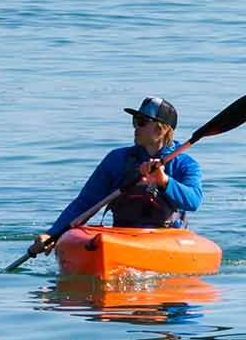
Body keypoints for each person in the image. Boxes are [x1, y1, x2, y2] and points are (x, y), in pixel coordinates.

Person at [36, 97, 205, 249]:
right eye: (134, 120)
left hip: (166, 238)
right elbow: (86, 202)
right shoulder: (117, 159)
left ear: (161, 130)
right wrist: (53, 234)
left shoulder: (185, 165)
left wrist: (165, 181)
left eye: (142, 121)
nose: (135, 127)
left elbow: (194, 201)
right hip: (123, 236)